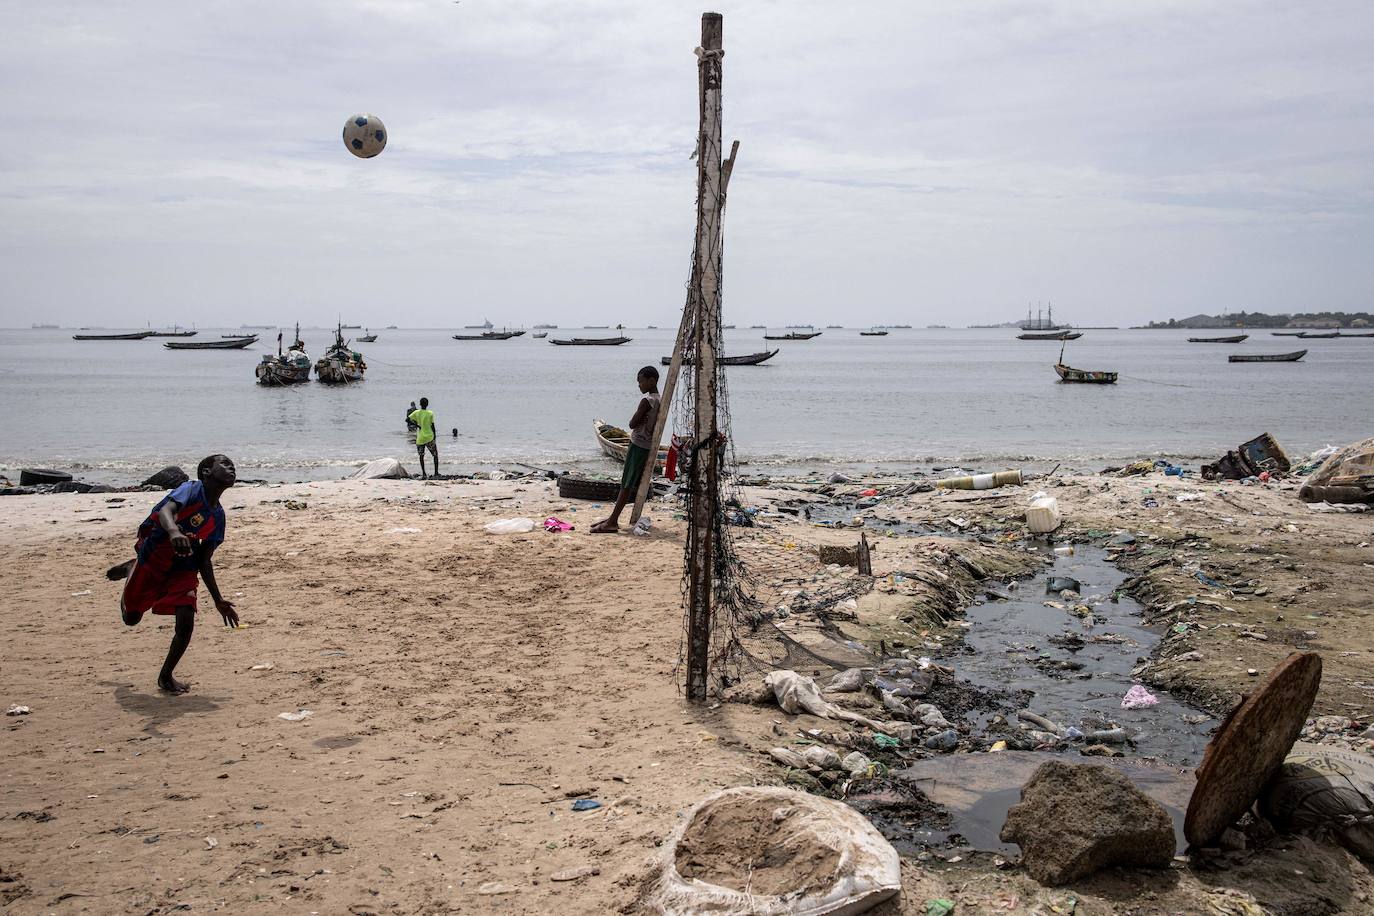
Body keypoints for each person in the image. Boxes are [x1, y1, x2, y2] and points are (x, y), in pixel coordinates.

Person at [109, 454, 240, 694]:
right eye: (224, 464)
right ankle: (131, 568)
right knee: (132, 618)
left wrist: (218, 600)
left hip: (183, 566)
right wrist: (173, 533)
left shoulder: (218, 517)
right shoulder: (190, 489)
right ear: (206, 472)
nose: (231, 468)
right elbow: (165, 511)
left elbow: (204, 560)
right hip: (154, 557)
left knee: (186, 621)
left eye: (233, 465)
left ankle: (166, 675)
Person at [592, 366, 661, 533]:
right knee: (628, 482)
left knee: (627, 483)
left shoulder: (647, 401)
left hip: (638, 444)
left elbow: (632, 424)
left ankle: (613, 521)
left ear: (651, 380)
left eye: (641, 381)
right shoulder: (659, 399)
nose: (639, 385)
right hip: (646, 444)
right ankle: (611, 518)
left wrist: (637, 418)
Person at [408, 397, 438, 479]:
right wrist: (435, 436)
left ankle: (424, 473)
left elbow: (407, 419)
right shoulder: (430, 413)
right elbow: (432, 426)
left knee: (421, 456)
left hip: (420, 438)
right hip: (429, 437)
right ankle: (436, 473)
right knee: (435, 455)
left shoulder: (416, 412)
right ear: (427, 404)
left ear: (420, 404)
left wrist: (417, 425)